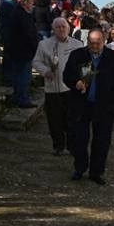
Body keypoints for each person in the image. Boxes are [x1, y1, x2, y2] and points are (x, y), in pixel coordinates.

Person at [62, 28, 114, 185]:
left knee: (102, 141)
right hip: (81, 104)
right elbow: (67, 75)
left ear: (103, 42)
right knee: (79, 139)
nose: (95, 46)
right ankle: (79, 168)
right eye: (92, 43)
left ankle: (97, 172)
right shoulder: (78, 55)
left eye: (98, 43)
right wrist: (75, 82)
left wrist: (111, 100)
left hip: (104, 107)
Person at [33, 17, 84, 156]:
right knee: (55, 120)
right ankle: (58, 146)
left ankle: (71, 146)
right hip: (53, 88)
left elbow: (84, 64)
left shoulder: (78, 44)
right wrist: (45, 71)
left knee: (72, 119)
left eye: (64, 27)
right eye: (58, 27)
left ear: (69, 28)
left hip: (71, 88)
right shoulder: (44, 44)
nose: (61, 29)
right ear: (53, 29)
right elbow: (36, 62)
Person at [7, 0, 40, 108]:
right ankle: (21, 99)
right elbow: (28, 35)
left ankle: (18, 97)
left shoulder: (20, 14)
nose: (33, 5)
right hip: (23, 51)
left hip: (20, 50)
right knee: (23, 76)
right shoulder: (22, 15)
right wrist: (34, 47)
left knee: (20, 75)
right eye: (31, 2)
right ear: (24, 3)